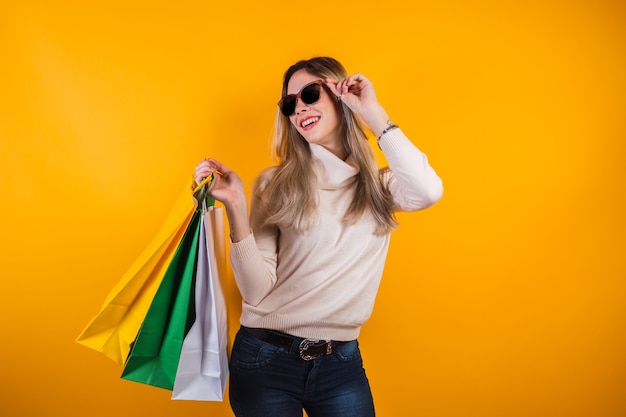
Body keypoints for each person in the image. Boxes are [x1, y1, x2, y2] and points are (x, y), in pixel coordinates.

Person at [193, 56, 443, 417]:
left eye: (311, 94)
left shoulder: (381, 187)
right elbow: (255, 291)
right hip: (266, 360)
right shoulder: (275, 183)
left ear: (340, 96)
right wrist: (235, 204)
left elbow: (429, 191)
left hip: (340, 363)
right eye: (290, 104)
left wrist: (372, 111)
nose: (300, 109)